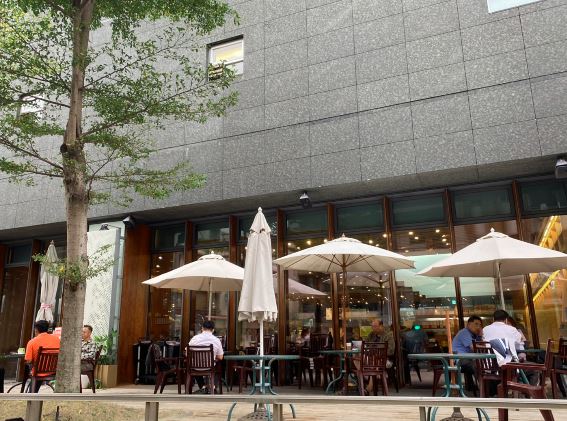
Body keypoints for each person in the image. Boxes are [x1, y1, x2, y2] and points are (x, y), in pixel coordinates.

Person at [24, 320, 60, 392]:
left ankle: (30, 392)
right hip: (53, 370)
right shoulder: (57, 339)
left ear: (36, 330)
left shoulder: (32, 342)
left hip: (38, 372)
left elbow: (28, 360)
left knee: (30, 368)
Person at [188, 320, 224, 392]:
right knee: (219, 365)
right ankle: (213, 386)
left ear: (202, 328)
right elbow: (220, 357)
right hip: (210, 367)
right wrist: (213, 356)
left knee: (193, 364)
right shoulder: (216, 340)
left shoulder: (194, 338)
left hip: (195, 367)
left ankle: (202, 386)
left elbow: (187, 353)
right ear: (213, 330)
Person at [452, 315, 483, 392]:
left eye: (480, 325)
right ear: (468, 324)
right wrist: (487, 346)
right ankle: (483, 388)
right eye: (476, 324)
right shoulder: (464, 332)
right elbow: (474, 348)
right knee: (478, 365)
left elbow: (479, 346)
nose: (478, 327)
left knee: (480, 363)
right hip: (459, 360)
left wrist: (480, 336)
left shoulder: (474, 335)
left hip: (467, 358)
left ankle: (480, 387)